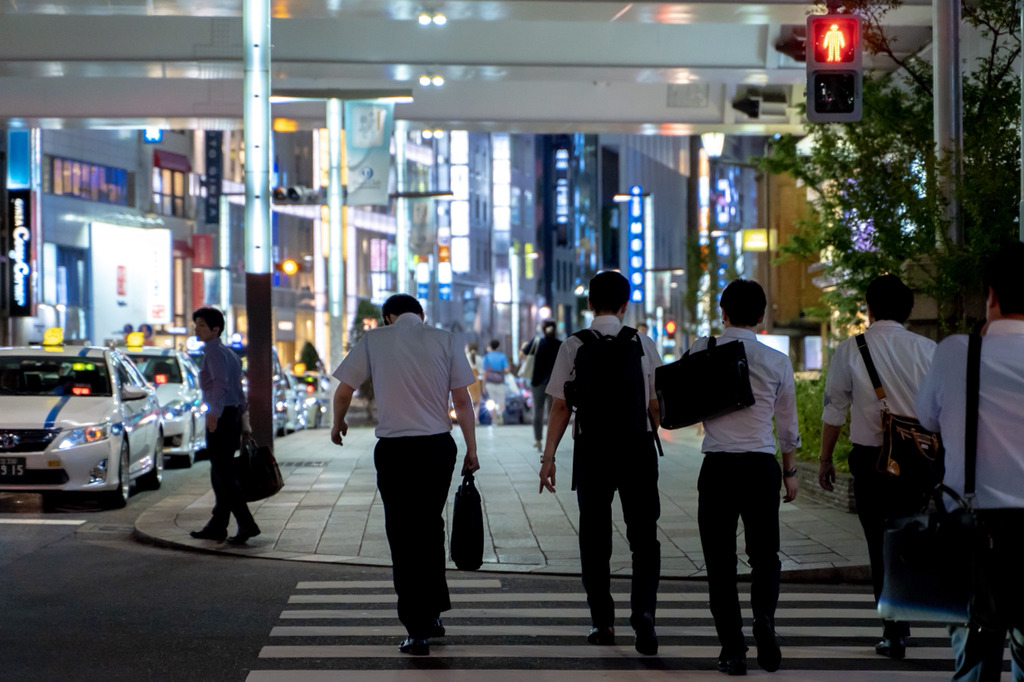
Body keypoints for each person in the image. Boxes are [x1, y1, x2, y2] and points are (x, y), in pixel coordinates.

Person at [330, 294, 480, 656]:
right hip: (437, 447)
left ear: (387, 318)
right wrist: (472, 449)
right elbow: (462, 400)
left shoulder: (374, 340)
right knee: (430, 527)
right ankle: (432, 614)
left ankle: (417, 629)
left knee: (402, 534)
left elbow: (344, 389)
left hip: (395, 451)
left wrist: (338, 424)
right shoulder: (445, 339)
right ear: (422, 315)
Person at [914, 242, 1024, 681]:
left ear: (991, 295)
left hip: (974, 534)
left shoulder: (958, 353)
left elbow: (927, 418)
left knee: (975, 663)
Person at [539, 270, 663, 656]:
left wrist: (548, 457)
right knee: (644, 536)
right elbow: (656, 403)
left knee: (594, 537)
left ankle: (602, 620)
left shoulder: (573, 345)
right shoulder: (643, 342)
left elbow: (560, 405)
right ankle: (643, 612)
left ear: (590, 303)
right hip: (637, 449)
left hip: (591, 450)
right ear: (626, 304)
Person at [818, 274, 937, 659]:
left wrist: (824, 459)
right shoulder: (929, 350)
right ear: (908, 310)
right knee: (908, 536)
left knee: (877, 542)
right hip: (918, 460)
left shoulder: (851, 349)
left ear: (868, 308)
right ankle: (905, 615)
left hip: (872, 461)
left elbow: (834, 410)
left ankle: (893, 629)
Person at [691, 279, 799, 676]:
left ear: (723, 312)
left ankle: (733, 650)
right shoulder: (776, 361)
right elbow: (788, 428)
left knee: (719, 563)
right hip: (760, 466)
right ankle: (765, 621)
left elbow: (686, 405)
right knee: (765, 555)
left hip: (718, 466)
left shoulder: (700, 351)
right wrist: (789, 472)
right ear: (761, 315)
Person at [189, 307, 259, 545]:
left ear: (215, 329)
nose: (196, 329)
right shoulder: (229, 354)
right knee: (220, 473)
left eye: (201, 325)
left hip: (221, 418)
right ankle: (218, 525)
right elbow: (239, 390)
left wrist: (214, 413)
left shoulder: (214, 354)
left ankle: (246, 524)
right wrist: (243, 416)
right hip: (231, 417)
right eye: (196, 324)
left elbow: (220, 383)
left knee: (224, 475)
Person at [528, 320, 562, 450]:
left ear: (543, 329)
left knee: (538, 410)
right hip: (554, 382)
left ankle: (538, 440)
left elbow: (524, 354)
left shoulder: (537, 343)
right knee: (552, 413)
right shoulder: (560, 344)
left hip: (537, 382)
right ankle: (551, 441)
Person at [481, 339, 509, 418]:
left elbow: (484, 373)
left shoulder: (486, 357)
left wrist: (483, 386)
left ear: (490, 346)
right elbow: (507, 370)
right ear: (498, 347)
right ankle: (500, 414)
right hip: (500, 382)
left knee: (491, 400)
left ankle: (494, 418)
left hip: (489, 382)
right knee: (501, 400)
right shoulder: (502, 356)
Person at [465, 341, 483, 418]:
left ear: (468, 348)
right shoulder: (479, 358)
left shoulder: (465, 356)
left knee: (468, 400)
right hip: (477, 380)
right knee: (477, 401)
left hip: (467, 379)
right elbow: (481, 372)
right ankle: (476, 419)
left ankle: (469, 418)